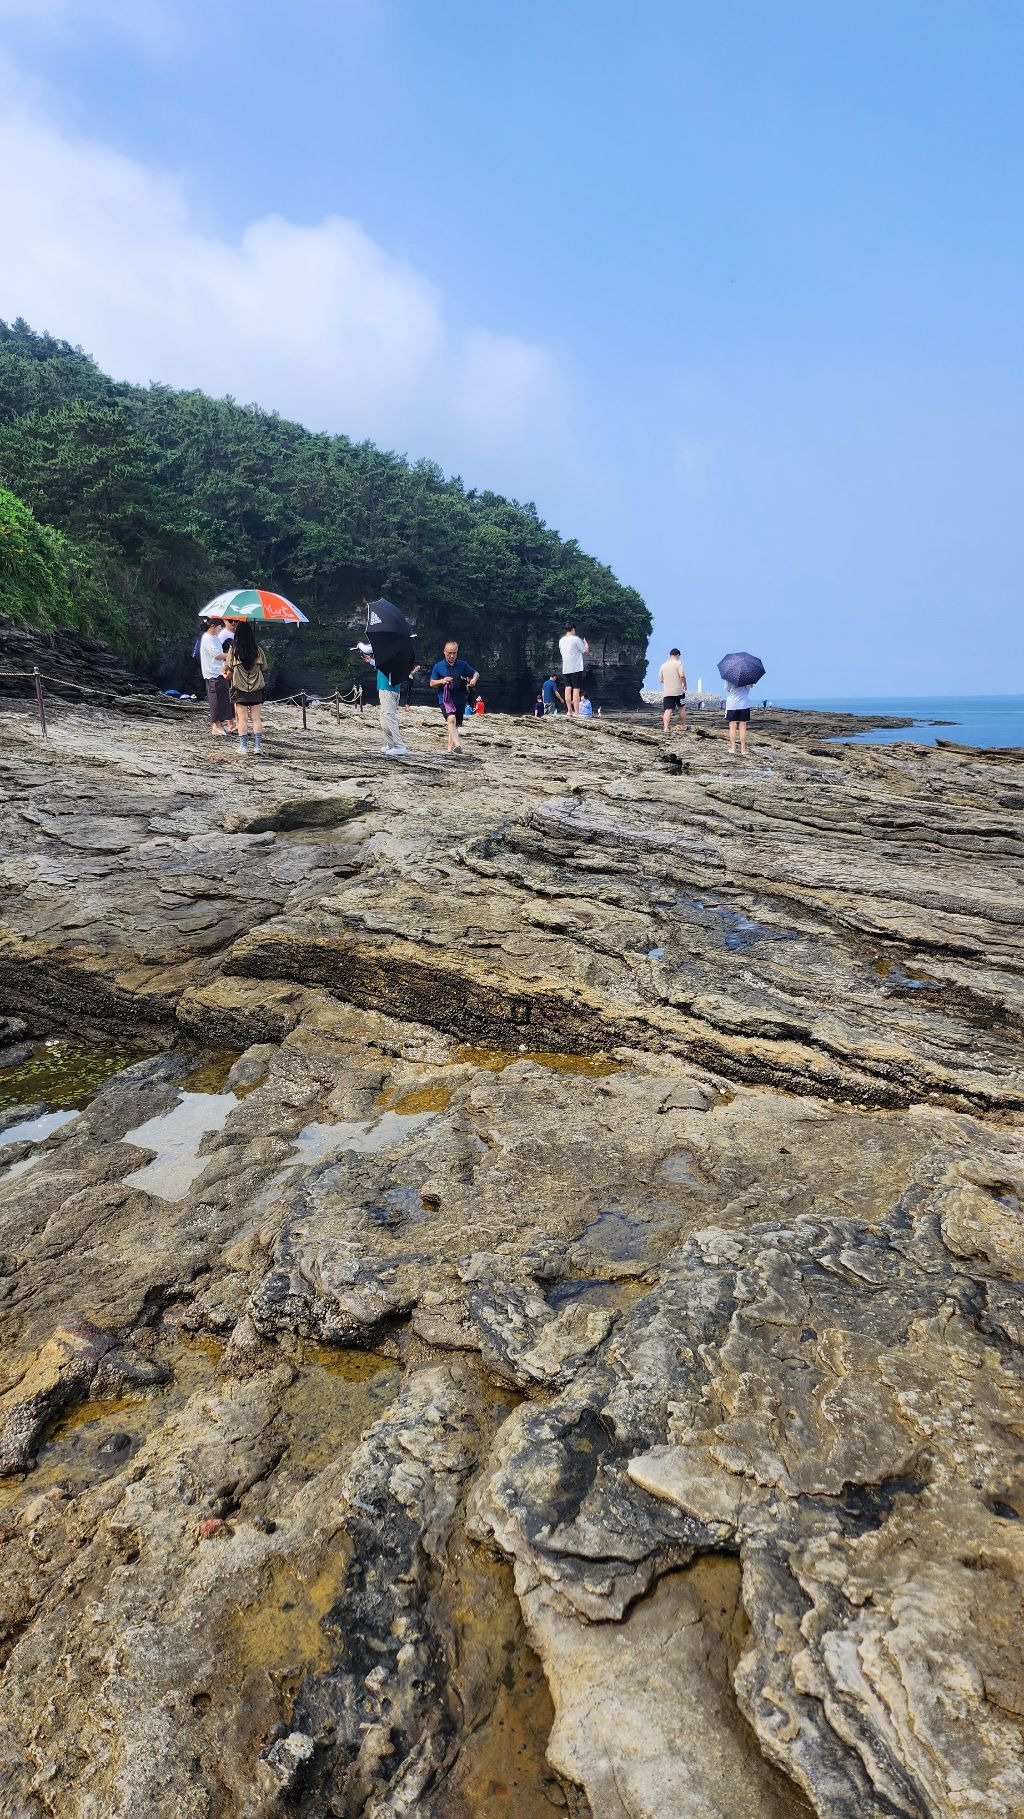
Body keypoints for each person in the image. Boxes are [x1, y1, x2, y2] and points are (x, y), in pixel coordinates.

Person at [358, 640, 419, 757]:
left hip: (388, 689)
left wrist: (359, 645)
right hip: (388, 688)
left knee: (389, 717)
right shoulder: (395, 653)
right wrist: (371, 661)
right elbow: (383, 666)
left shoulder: (392, 652)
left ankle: (399, 746)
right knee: (384, 717)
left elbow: (367, 649)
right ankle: (391, 744)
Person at [224, 618, 268, 755]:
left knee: (242, 719)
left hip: (239, 689)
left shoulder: (233, 651)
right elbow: (264, 668)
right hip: (256, 689)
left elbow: (229, 671)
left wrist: (225, 674)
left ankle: (243, 748)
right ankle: (257, 747)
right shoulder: (258, 650)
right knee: (256, 719)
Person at [429, 640, 479, 755]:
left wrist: (474, 679)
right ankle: (458, 745)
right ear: (444, 652)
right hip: (445, 699)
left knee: (454, 724)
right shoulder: (438, 666)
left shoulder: (463, 665)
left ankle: (449, 750)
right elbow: (431, 683)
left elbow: (475, 673)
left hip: (460, 699)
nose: (452, 656)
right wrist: (442, 681)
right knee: (451, 719)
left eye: (454, 653)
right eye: (449, 653)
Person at [198, 616, 235, 736]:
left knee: (224, 698)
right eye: (219, 626)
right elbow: (217, 655)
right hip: (212, 673)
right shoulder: (208, 637)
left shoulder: (213, 637)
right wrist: (232, 654)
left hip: (219, 671)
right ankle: (217, 725)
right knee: (216, 699)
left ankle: (223, 724)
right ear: (213, 626)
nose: (221, 628)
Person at [558, 624, 588, 717]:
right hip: (576, 668)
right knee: (576, 689)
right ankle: (577, 712)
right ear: (573, 629)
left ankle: (569, 711)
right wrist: (586, 644)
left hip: (566, 668)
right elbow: (585, 651)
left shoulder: (561, 641)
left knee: (567, 688)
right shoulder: (576, 639)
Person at [659, 648, 688, 735]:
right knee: (682, 708)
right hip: (679, 691)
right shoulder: (679, 663)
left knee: (668, 710)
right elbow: (682, 675)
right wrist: (685, 684)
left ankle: (666, 728)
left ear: (670, 655)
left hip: (667, 692)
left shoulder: (663, 665)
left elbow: (661, 680)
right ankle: (683, 726)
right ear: (677, 655)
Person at [725, 680, 752, 756]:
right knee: (743, 728)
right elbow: (748, 690)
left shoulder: (730, 678)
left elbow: (728, 689)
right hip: (744, 704)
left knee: (732, 727)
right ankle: (743, 749)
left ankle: (733, 748)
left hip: (732, 704)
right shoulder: (748, 678)